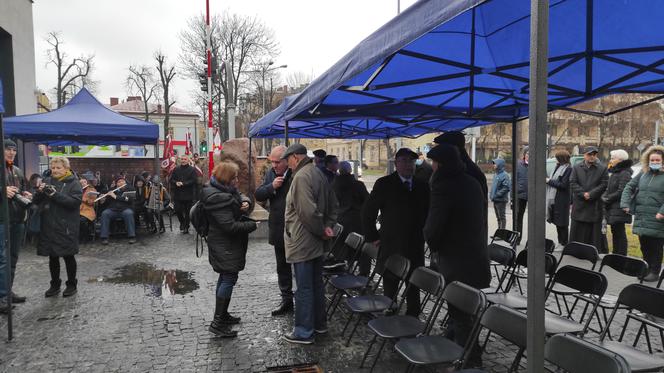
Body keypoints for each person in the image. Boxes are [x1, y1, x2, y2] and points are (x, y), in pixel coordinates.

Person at [423, 143, 490, 366]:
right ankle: (458, 345)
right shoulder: (472, 181)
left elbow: (434, 227)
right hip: (475, 255)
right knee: (464, 310)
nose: (432, 167)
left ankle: (469, 360)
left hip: (456, 260)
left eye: (433, 162)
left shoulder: (444, 186)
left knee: (460, 312)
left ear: (440, 164)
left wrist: (430, 241)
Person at [281, 143, 338, 344]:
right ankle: (319, 325)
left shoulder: (302, 176)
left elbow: (307, 212)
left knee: (304, 288)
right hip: (313, 242)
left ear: (296, 157)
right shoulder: (317, 172)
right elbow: (333, 204)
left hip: (304, 242)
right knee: (316, 285)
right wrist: (328, 226)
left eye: (288, 159)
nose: (287, 164)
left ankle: (304, 331)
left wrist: (323, 230)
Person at [363, 148, 429, 317]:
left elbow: (429, 213)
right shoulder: (384, 184)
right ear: (396, 163)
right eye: (405, 161)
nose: (409, 165)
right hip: (392, 243)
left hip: (414, 244)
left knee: (413, 283)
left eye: (412, 162)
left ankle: (413, 316)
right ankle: (390, 314)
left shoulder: (422, 185)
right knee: (391, 282)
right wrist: (373, 237)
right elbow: (368, 212)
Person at [202, 161, 257, 338]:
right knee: (228, 278)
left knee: (225, 277)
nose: (237, 180)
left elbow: (239, 195)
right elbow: (229, 226)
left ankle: (223, 315)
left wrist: (246, 202)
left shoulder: (221, 189)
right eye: (234, 177)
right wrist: (251, 225)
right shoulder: (217, 197)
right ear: (227, 178)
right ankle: (217, 323)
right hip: (224, 244)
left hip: (225, 244)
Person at [33, 156, 82, 297]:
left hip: (66, 226)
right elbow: (36, 201)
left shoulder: (74, 183)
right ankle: (55, 284)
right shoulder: (47, 181)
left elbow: (74, 203)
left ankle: (72, 284)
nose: (54, 170)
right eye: (53, 168)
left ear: (66, 169)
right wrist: (39, 192)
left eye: (58, 168)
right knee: (52, 257)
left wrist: (55, 195)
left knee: (68, 256)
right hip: (49, 225)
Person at [255, 145, 295, 316]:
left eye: (277, 162)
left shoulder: (296, 174)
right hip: (278, 227)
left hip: (295, 229)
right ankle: (286, 300)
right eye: (272, 162)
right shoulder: (272, 173)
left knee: (299, 267)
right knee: (282, 266)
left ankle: (302, 300)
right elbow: (259, 194)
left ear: (287, 161)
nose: (274, 165)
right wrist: (271, 187)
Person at [621, 145, 664, 282]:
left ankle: (655, 271)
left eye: (658, 160)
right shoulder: (643, 173)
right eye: (653, 160)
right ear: (648, 160)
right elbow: (629, 187)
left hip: (657, 218)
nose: (655, 162)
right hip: (641, 216)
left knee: (655, 246)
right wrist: (625, 204)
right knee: (644, 244)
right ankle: (646, 268)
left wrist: (662, 212)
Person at [0, 139, 30, 312]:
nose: (11, 152)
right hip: (2, 219)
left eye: (14, 150)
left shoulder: (17, 170)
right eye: (8, 149)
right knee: (2, 259)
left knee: (12, 258)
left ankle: (7, 291)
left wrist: (26, 193)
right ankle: (2, 296)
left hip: (18, 218)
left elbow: (23, 189)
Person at [331, 161, 370, 275]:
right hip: (357, 221)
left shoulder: (333, 185)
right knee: (361, 249)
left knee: (342, 249)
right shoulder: (358, 185)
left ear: (339, 170)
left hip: (339, 221)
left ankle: (342, 271)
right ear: (350, 171)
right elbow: (368, 202)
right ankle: (364, 273)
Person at [570, 146, 609, 252]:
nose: (592, 157)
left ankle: (592, 251)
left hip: (594, 204)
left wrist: (591, 194)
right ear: (584, 155)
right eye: (589, 154)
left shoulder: (602, 168)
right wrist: (583, 194)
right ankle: (576, 250)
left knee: (593, 231)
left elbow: (604, 184)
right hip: (580, 203)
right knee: (578, 229)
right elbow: (573, 182)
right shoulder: (577, 167)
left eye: (594, 154)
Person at [602, 149, 633, 255]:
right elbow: (610, 188)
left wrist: (607, 199)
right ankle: (616, 254)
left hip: (619, 207)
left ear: (620, 160)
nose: (610, 160)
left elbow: (622, 191)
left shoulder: (624, 173)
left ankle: (621, 256)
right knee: (615, 231)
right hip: (613, 206)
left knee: (619, 232)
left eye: (612, 158)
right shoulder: (616, 171)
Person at [546, 150, 573, 246]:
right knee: (557, 222)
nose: (555, 159)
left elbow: (563, 185)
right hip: (555, 198)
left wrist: (549, 181)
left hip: (562, 199)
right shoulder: (557, 167)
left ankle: (564, 243)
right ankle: (560, 242)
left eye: (557, 158)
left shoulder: (568, 169)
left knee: (562, 223)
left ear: (561, 159)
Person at [99, 177, 136, 245]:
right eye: (119, 182)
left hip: (125, 209)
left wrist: (115, 197)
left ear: (125, 183)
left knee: (129, 214)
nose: (121, 183)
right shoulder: (112, 190)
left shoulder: (130, 189)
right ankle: (104, 237)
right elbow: (107, 202)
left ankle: (132, 236)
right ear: (116, 184)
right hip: (113, 210)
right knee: (105, 213)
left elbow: (129, 200)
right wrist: (103, 200)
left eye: (122, 181)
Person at [170, 154, 198, 234]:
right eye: (182, 159)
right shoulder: (176, 169)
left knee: (187, 212)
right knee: (177, 210)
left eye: (185, 159)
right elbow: (172, 180)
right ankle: (182, 222)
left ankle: (186, 226)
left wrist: (184, 183)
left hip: (188, 194)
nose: (183, 160)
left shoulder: (192, 169)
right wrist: (176, 183)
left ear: (188, 160)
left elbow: (194, 180)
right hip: (178, 194)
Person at [490, 158, 511, 230]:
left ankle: (502, 234)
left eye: (495, 163)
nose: (493, 165)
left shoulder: (505, 175)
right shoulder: (496, 174)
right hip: (495, 199)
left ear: (500, 165)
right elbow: (494, 187)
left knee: (502, 217)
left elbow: (506, 188)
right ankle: (499, 233)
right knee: (498, 217)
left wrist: (496, 195)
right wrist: (491, 195)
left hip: (501, 200)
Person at [515, 147, 529, 244]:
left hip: (533, 195)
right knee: (518, 217)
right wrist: (512, 196)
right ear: (524, 154)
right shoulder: (518, 165)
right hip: (520, 195)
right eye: (528, 153)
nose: (529, 155)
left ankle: (532, 240)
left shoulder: (536, 165)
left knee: (533, 218)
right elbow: (514, 180)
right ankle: (517, 238)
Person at [78, 177, 97, 242]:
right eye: (81, 183)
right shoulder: (77, 189)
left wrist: (84, 199)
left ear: (87, 182)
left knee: (82, 221)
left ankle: (85, 236)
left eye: (84, 182)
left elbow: (92, 202)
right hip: (78, 209)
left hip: (88, 210)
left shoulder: (92, 190)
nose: (83, 184)